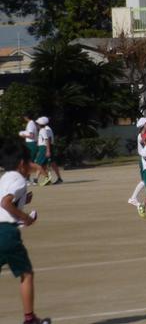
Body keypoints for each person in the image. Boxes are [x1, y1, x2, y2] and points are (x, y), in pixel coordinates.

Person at [0, 140, 51, 324]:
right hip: (6, 233)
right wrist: (25, 217)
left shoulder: (5, 178)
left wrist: (23, 200)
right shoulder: (19, 180)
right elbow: (5, 203)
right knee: (26, 273)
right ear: (22, 163)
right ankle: (30, 319)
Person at [128, 117, 146, 210]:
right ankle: (133, 198)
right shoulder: (141, 135)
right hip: (144, 160)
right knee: (145, 180)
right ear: (144, 125)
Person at [33, 118, 61, 186]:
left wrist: (47, 150)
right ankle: (38, 179)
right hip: (43, 147)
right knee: (43, 164)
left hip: (44, 148)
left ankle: (46, 177)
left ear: (39, 124)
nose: (36, 125)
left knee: (38, 164)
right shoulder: (45, 129)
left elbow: (47, 139)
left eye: (37, 124)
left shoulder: (43, 130)